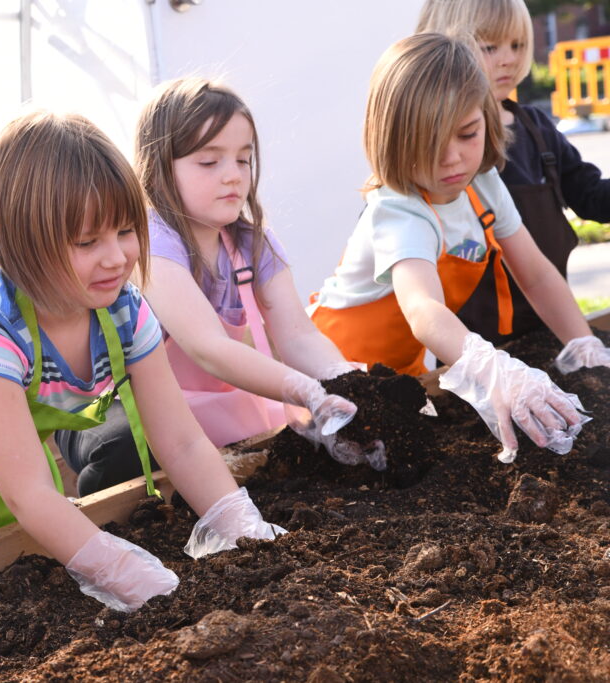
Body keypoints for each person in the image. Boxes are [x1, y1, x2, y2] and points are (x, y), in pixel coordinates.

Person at [0, 110, 288, 614]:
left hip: (6, 456)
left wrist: (238, 522)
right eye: (87, 242)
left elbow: (182, 440)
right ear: (23, 243)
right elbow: (29, 493)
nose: (116, 257)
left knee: (13, 558)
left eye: (126, 231)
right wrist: (118, 569)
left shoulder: (125, 309)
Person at [310, 33, 609, 463]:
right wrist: (492, 369)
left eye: (467, 134)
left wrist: (585, 347)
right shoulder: (399, 209)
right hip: (334, 379)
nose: (452, 159)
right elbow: (423, 310)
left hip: (401, 374)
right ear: (393, 138)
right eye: (430, 144)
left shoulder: (483, 183)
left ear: (487, 119)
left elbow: (538, 275)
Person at [128, 76, 385, 471]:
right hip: (153, 430)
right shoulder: (153, 246)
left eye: (243, 159)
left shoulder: (251, 243)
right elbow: (208, 348)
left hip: (226, 422)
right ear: (160, 166)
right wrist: (305, 390)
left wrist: (343, 381)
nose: (233, 175)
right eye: (210, 161)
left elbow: (298, 335)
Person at [417, 0, 610, 343]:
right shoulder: (441, 155)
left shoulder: (536, 128)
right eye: (491, 47)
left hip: (553, 328)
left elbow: (592, 196)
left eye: (517, 45)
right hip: (475, 348)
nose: (508, 58)